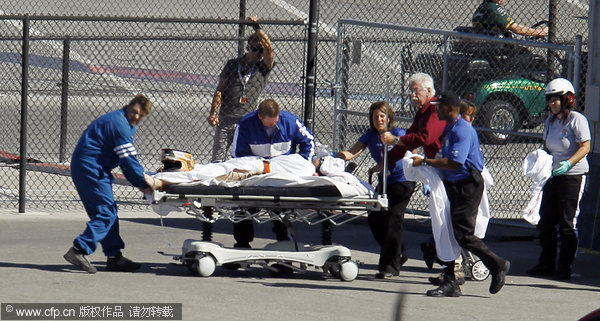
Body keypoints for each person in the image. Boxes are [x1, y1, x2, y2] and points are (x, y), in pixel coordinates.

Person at [412, 91, 510, 297]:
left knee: (463, 235)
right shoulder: (450, 128)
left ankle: (497, 264)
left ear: (451, 108)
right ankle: (450, 282)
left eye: (440, 106)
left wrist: (426, 162)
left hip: (467, 185)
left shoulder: (462, 130)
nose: (436, 109)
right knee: (446, 230)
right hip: (453, 183)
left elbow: (455, 162)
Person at [63, 94, 162, 274]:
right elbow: (129, 161)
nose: (136, 117)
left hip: (96, 168)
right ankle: (79, 249)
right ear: (128, 106)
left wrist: (139, 183)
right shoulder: (119, 124)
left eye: (141, 115)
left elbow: (125, 162)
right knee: (106, 212)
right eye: (134, 112)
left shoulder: (126, 123)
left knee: (110, 212)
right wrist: (144, 182)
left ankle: (114, 256)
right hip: (90, 169)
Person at [336, 101, 415, 279]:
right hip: (384, 182)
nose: (379, 119)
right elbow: (352, 152)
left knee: (393, 220)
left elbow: (411, 150)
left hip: (402, 182)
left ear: (389, 118)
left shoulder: (397, 134)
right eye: (375, 116)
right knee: (375, 218)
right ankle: (397, 251)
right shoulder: (370, 136)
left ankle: (389, 267)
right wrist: (336, 157)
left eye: (382, 116)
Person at [380, 72, 447, 271]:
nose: (412, 95)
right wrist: (389, 160)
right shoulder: (422, 112)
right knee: (441, 214)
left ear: (428, 90)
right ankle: (440, 252)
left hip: (448, 168)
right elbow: (411, 136)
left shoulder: (435, 110)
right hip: (437, 168)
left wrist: (395, 140)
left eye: (415, 91)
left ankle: (451, 261)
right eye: (410, 91)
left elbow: (425, 138)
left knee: (447, 215)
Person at [526, 78, 590, 280]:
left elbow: (585, 146)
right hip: (553, 175)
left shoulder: (577, 120)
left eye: (556, 99)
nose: (552, 104)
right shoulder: (550, 121)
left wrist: (568, 163)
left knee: (566, 222)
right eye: (550, 100)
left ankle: (565, 267)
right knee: (546, 220)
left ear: (568, 99)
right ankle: (546, 264)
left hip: (572, 176)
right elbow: (548, 146)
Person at [230, 98, 315, 248]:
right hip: (256, 175)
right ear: (260, 117)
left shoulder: (291, 121)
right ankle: (242, 243)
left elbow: (308, 142)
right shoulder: (245, 125)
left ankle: (284, 242)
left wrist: (303, 166)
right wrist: (257, 172)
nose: (274, 125)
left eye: (275, 121)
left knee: (282, 209)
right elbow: (238, 155)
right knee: (243, 206)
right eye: (270, 123)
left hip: (282, 175)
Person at [208, 16, 275, 162]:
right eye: (254, 49)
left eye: (260, 51)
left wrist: (257, 27)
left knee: (244, 160)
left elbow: (269, 49)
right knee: (217, 160)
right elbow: (220, 89)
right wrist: (214, 113)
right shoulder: (232, 64)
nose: (258, 53)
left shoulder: (262, 68)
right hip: (226, 118)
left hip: (246, 121)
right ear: (248, 48)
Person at [472, 0, 548, 38]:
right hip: (496, 45)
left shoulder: (483, 6)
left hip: (488, 41)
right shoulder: (494, 8)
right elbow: (516, 28)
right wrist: (540, 32)